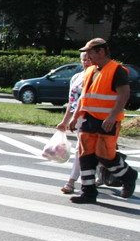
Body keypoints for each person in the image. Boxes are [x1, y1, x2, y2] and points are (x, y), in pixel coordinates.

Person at [68, 38, 137, 203]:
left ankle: (128, 176)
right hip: (89, 119)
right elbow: (84, 97)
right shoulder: (91, 70)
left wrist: (112, 116)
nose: (87, 56)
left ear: (101, 51)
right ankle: (88, 192)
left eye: (90, 52)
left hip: (107, 121)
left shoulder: (117, 70)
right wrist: (75, 117)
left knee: (105, 156)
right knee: (86, 156)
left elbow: (124, 94)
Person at [56, 52, 92, 194]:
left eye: (89, 59)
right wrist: (65, 121)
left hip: (93, 118)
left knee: (88, 150)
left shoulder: (97, 76)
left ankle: (74, 180)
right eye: (84, 59)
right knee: (80, 149)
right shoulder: (76, 78)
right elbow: (72, 101)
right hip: (79, 119)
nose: (87, 62)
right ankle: (72, 181)